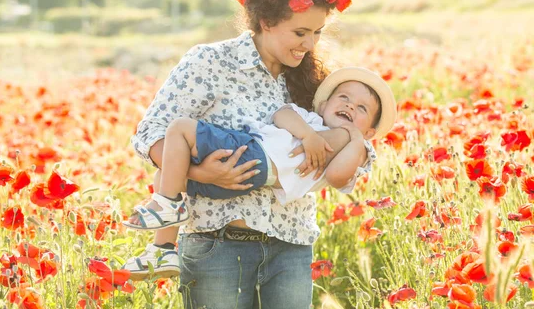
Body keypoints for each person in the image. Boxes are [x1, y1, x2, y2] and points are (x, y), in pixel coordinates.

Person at [128, 0, 396, 309]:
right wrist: (202, 173)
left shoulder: (312, 81)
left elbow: (339, 158)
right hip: (218, 245)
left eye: (317, 33)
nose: (309, 44)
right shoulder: (210, 62)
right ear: (266, 22)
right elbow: (151, 134)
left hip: (291, 246)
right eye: (300, 32)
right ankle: (161, 246)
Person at [123, 67, 396, 281]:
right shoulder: (309, 120)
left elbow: (337, 177)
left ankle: (168, 206)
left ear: (370, 131)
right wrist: (307, 134)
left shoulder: (357, 147)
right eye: (344, 98)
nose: (350, 106)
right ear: (323, 106)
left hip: (256, 155)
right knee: (166, 176)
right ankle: (163, 251)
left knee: (180, 128)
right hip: (251, 169)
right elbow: (281, 114)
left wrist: (355, 137)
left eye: (362, 109)